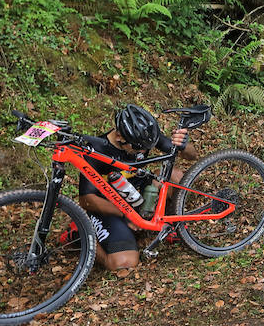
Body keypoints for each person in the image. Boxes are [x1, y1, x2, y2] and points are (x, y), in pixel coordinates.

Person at [75, 104, 199, 275]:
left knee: (177, 177)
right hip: (111, 207)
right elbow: (86, 199)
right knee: (123, 263)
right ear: (119, 136)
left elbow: (192, 156)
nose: (142, 152)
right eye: (136, 148)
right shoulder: (97, 150)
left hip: (139, 194)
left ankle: (169, 225)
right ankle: (81, 234)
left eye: (145, 148)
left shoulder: (143, 137)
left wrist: (184, 145)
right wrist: (126, 214)